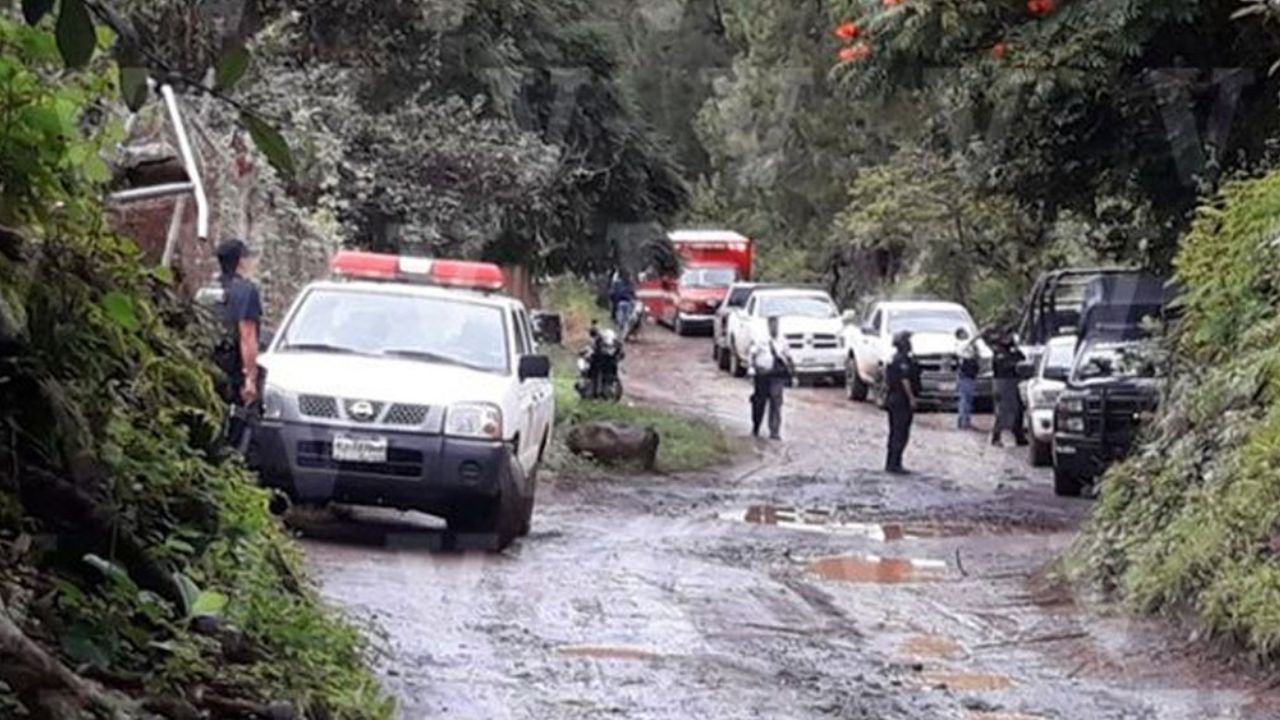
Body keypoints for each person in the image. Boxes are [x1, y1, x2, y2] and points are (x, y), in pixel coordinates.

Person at [214, 238, 263, 453]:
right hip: (233, 369)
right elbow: (247, 334)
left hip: (208, 364)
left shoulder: (209, 289)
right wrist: (250, 378)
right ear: (240, 261)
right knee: (238, 425)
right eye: (248, 257)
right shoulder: (246, 291)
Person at [748, 316, 795, 440]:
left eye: (776, 325)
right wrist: (752, 369)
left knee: (776, 400)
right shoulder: (760, 339)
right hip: (762, 374)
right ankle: (756, 426)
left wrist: (793, 373)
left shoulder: (783, 341)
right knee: (760, 402)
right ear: (768, 325)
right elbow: (752, 354)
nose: (774, 327)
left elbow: (789, 357)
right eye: (772, 325)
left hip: (777, 376)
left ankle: (774, 430)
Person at [885, 331, 919, 474]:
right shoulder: (902, 360)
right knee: (900, 432)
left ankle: (892, 462)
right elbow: (905, 380)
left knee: (895, 432)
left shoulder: (895, 359)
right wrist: (911, 398)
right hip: (901, 400)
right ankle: (894, 464)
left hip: (894, 398)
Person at [990, 331, 1029, 447]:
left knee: (1019, 410)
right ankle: (996, 437)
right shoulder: (999, 354)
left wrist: (1016, 350)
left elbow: (1022, 358)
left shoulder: (1013, 352)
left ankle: (1018, 435)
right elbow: (1006, 365)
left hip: (1014, 383)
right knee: (1002, 412)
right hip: (1002, 384)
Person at [954, 327, 980, 430]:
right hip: (966, 374)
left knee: (966, 398)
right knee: (966, 399)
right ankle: (964, 422)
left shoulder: (967, 346)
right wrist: (983, 331)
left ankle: (964, 420)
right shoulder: (962, 344)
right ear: (960, 335)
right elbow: (973, 340)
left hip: (969, 374)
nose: (966, 335)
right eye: (964, 333)